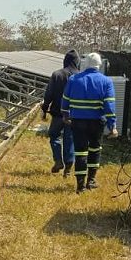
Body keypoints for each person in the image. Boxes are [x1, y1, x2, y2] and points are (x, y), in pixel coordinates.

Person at [61, 52, 118, 194]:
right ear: (100, 65)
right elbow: (109, 106)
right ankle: (91, 181)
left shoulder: (74, 79)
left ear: (84, 64)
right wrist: (113, 126)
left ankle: (80, 186)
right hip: (96, 122)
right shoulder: (106, 81)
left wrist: (65, 115)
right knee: (94, 150)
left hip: (78, 122)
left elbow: (65, 101)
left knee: (80, 152)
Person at [42, 50, 80, 177]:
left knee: (54, 136)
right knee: (70, 139)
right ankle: (68, 168)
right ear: (77, 62)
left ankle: (58, 161)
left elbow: (49, 93)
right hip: (73, 115)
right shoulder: (80, 76)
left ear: (65, 60)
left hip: (58, 113)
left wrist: (45, 107)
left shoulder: (57, 74)